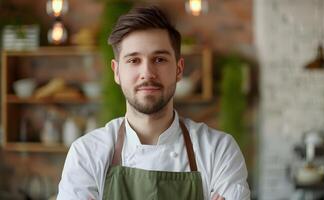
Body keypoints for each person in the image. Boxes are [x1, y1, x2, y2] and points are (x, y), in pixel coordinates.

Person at [57, 6, 250, 200]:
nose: (147, 73)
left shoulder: (218, 150)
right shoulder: (87, 154)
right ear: (116, 72)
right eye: (134, 60)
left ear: (179, 69)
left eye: (159, 59)